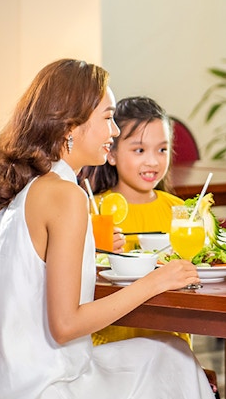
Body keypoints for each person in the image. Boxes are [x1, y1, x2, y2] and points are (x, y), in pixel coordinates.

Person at [0, 59, 226, 399]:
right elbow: (66, 325)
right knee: (177, 361)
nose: (114, 131)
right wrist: (155, 281)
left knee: (165, 356)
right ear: (70, 125)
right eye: (107, 118)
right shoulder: (65, 195)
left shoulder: (3, 196)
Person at [82, 95, 191, 348]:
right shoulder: (91, 211)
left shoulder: (181, 212)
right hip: (110, 346)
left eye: (162, 150)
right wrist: (93, 251)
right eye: (139, 150)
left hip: (171, 345)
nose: (153, 161)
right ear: (111, 153)